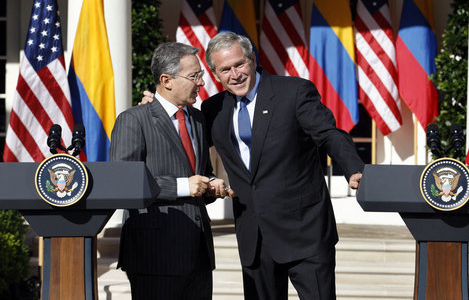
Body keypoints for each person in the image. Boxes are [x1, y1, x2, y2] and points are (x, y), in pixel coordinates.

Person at [142, 32, 363, 300]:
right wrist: (157, 107)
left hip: (305, 233)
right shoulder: (213, 108)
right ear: (215, 74)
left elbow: (329, 133)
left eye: (239, 64)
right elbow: (184, 136)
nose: (235, 74)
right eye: (225, 69)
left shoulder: (293, 92)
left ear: (252, 59)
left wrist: (353, 168)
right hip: (254, 238)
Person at [110, 42, 231, 300]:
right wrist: (182, 185)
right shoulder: (133, 120)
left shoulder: (197, 120)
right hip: (154, 256)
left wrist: (211, 183)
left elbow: (200, 172)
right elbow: (122, 183)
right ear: (167, 80)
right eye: (194, 76)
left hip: (198, 255)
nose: (201, 83)